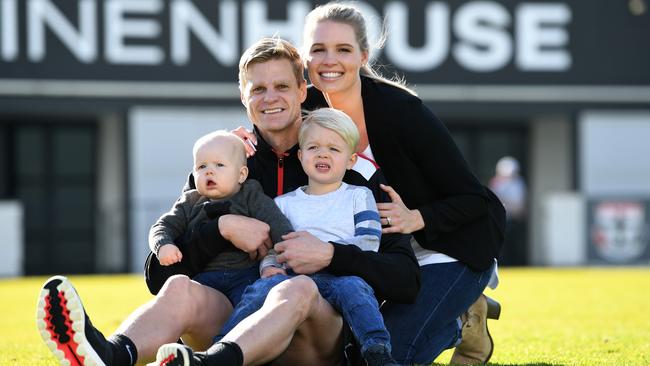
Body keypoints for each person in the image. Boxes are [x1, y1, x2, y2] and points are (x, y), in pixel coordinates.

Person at [37, 37, 419, 366]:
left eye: (282, 86)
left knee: (296, 288)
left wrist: (333, 256)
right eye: (257, 89)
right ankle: (111, 355)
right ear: (243, 96)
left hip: (317, 334)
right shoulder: (225, 162)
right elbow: (160, 276)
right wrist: (220, 229)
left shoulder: (344, 164)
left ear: (303, 91)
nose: (270, 99)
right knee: (180, 290)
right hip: (238, 318)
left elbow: (405, 277)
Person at [298, 3, 506, 364]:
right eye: (318, 49)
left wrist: (417, 218)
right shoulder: (308, 111)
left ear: (363, 55)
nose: (329, 60)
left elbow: (476, 199)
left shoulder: (401, 111)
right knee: (349, 353)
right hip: (387, 260)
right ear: (306, 56)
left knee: (386, 353)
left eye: (343, 49)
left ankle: (459, 317)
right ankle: (454, 309)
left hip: (446, 246)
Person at [206, 108, 397, 366]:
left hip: (341, 276)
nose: (323, 153)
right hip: (291, 277)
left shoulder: (359, 196)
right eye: (314, 147)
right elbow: (273, 248)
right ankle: (219, 348)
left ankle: (376, 350)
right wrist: (270, 267)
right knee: (258, 290)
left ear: (351, 160)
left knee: (357, 290)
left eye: (334, 149)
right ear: (300, 155)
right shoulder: (283, 204)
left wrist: (327, 253)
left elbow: (369, 243)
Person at [148, 130, 293, 305]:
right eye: (202, 167)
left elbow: (277, 223)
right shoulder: (190, 201)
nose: (209, 172)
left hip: (245, 274)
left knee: (254, 301)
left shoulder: (251, 195)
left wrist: (289, 250)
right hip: (204, 277)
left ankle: (231, 333)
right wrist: (164, 245)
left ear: (241, 174)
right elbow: (163, 226)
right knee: (179, 299)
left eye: (219, 165)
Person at [489, 156, 528, 265]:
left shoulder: (519, 182)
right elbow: (495, 200)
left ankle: (516, 263)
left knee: (515, 244)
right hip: (501, 218)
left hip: (515, 218)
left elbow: (520, 203)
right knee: (502, 245)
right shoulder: (496, 182)